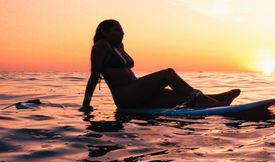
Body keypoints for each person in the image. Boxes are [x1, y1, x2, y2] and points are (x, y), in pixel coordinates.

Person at [79, 19, 240, 112]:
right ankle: (205, 101)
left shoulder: (119, 47)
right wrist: (86, 105)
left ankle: (219, 99)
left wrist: (121, 45)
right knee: (167, 74)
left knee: (180, 97)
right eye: (117, 30)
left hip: (138, 93)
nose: (122, 33)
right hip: (125, 96)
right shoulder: (101, 45)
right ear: (104, 32)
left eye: (122, 30)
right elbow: (94, 75)